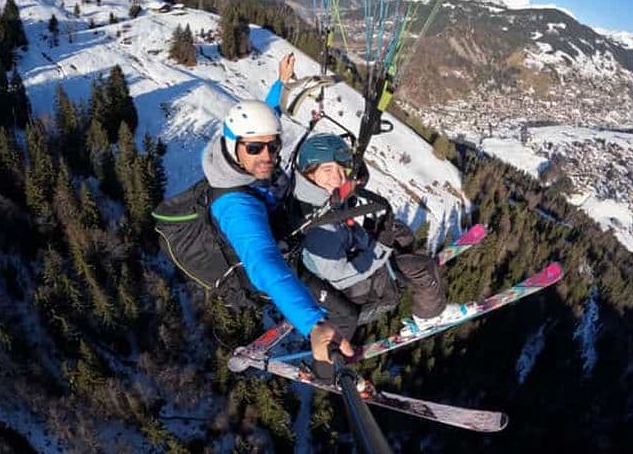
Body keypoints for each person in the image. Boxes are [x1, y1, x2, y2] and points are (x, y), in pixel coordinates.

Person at [201, 53, 354, 367]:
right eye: (255, 148)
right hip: (282, 263)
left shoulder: (242, 154)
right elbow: (263, 262)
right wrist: (312, 322)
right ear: (233, 146)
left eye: (273, 146)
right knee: (346, 313)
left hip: (287, 222)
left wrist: (281, 81)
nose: (267, 156)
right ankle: (330, 371)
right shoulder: (234, 204)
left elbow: (268, 115)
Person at [291, 133, 470, 377]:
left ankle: (411, 274)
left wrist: (375, 238)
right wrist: (381, 248)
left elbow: (349, 225)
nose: (339, 177)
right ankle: (429, 315)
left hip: (358, 259)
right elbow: (341, 276)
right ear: (309, 172)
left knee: (402, 234)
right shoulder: (320, 227)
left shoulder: (323, 198)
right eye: (328, 169)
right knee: (424, 268)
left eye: (341, 169)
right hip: (356, 284)